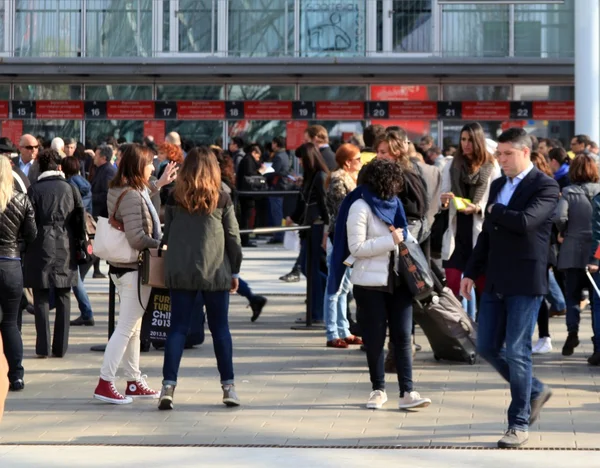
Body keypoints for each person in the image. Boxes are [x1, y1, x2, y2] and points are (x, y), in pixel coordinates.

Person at [460, 128, 559, 449]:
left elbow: (526, 222)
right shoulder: (499, 184)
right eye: (498, 154)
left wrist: (495, 210)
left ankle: (517, 423)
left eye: (507, 154)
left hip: (526, 281)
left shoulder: (545, 185)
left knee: (518, 352)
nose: (501, 160)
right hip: (496, 280)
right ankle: (534, 390)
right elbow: (487, 235)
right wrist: (471, 271)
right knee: (487, 347)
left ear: (525, 152)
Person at [339, 158, 431, 410]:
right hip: (370, 284)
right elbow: (355, 248)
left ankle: (408, 392)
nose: (398, 186)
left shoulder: (395, 204)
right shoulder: (359, 207)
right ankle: (377, 390)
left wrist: (408, 238)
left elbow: (405, 236)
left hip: (400, 281)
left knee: (403, 337)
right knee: (375, 338)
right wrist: (390, 240)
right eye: (394, 181)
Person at [159, 147, 243, 410]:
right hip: (215, 270)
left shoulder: (174, 197)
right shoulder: (222, 198)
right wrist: (236, 270)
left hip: (181, 270)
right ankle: (228, 386)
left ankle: (168, 386)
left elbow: (168, 234)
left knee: (177, 329)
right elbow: (233, 238)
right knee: (220, 330)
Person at [93, 144, 176, 405]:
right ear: (139, 165)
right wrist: (162, 245)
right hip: (133, 270)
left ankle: (133, 380)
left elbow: (141, 198)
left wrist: (158, 184)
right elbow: (137, 237)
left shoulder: (125, 188)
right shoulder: (130, 194)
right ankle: (105, 382)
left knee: (134, 328)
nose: (153, 167)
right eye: (150, 163)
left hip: (124, 270)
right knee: (127, 328)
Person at [24, 149, 86, 358]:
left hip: (39, 245)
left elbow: (28, 224)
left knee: (40, 296)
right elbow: (80, 221)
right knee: (63, 295)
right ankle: (60, 347)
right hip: (65, 244)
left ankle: (43, 347)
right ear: (59, 166)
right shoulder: (71, 188)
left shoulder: (34, 190)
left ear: (40, 167)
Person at [440, 123, 500, 308]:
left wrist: (477, 208)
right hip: (455, 229)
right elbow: (442, 197)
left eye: (470, 140)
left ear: (479, 141)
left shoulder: (491, 166)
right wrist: (445, 200)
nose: (466, 144)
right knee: (452, 286)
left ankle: (482, 330)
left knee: (482, 285)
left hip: (479, 229)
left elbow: (495, 200)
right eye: (463, 139)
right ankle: (461, 330)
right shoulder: (451, 164)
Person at [553, 154, 600, 357]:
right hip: (596, 253)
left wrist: (563, 231)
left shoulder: (569, 192)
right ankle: (598, 345)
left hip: (573, 249)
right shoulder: (599, 191)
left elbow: (559, 216)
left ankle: (573, 331)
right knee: (597, 301)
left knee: (572, 295)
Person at [214, 146, 267, 321]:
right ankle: (253, 298)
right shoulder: (226, 182)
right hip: (221, 238)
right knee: (227, 274)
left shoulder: (221, 187)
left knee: (226, 274)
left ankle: (253, 298)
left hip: (218, 238)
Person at [0, 156, 37, 390]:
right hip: (11, 264)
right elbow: (32, 234)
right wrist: (17, 245)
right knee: (11, 323)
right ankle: (16, 375)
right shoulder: (21, 200)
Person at [324, 144, 363, 348]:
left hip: (348, 238)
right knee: (335, 286)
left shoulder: (349, 179)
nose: (361, 162)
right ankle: (332, 332)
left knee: (344, 286)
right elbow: (342, 211)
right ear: (348, 162)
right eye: (358, 158)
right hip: (340, 238)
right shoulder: (339, 180)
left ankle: (343, 329)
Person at [286, 143, 330, 323]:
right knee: (308, 267)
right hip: (309, 227)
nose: (299, 162)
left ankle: (317, 311)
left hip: (317, 228)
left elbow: (325, 205)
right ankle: (319, 306)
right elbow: (304, 202)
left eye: (301, 158)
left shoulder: (319, 177)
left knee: (310, 268)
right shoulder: (310, 177)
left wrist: (327, 231)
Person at [529, 152, 563, 355]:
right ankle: (542, 336)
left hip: (544, 249)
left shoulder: (546, 187)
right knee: (537, 293)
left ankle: (544, 337)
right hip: (542, 248)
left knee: (539, 294)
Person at [61, 156, 96, 327]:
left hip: (76, 236)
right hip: (88, 236)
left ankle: (87, 313)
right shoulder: (85, 183)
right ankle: (85, 312)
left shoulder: (69, 186)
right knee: (74, 277)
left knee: (75, 278)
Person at [90, 144, 117, 279]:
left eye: (97, 155)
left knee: (101, 244)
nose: (94, 158)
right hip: (98, 212)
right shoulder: (100, 169)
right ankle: (96, 269)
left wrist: (91, 197)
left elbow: (107, 194)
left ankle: (95, 267)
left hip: (103, 213)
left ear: (104, 158)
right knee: (97, 242)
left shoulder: (108, 172)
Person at [236, 143, 263, 247]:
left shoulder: (248, 160)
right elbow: (250, 175)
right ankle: (245, 239)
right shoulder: (248, 160)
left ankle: (245, 238)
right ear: (254, 152)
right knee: (246, 216)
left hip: (246, 192)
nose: (258, 158)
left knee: (246, 216)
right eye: (257, 156)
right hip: (246, 192)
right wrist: (260, 171)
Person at [266, 137, 291, 245]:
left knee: (276, 212)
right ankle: (279, 234)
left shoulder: (278, 157)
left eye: (273, 143)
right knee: (278, 211)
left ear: (276, 144)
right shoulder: (285, 155)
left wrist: (263, 171)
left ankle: (278, 235)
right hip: (282, 186)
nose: (272, 145)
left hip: (277, 187)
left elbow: (272, 172)